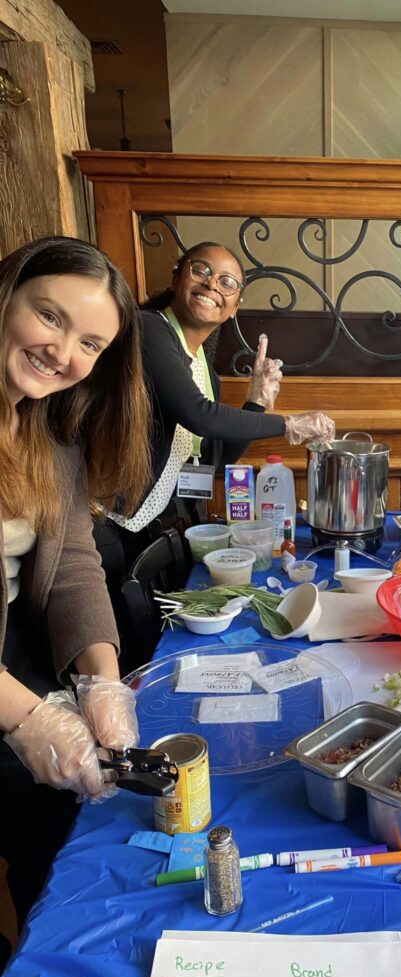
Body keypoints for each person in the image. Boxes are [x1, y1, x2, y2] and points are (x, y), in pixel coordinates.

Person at [0, 236, 150, 940]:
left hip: (20, 672)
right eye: (51, 317)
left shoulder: (40, 429)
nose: (64, 354)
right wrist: (32, 720)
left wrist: (103, 685)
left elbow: (74, 565)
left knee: (50, 881)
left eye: (90, 342)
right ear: (7, 295)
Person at [104, 241, 335, 564]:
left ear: (234, 306)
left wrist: (255, 402)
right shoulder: (148, 329)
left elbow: (217, 455)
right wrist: (287, 424)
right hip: (109, 522)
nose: (212, 284)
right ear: (175, 279)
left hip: (160, 528)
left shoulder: (204, 370)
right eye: (201, 270)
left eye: (226, 282)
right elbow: (199, 416)